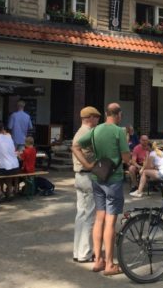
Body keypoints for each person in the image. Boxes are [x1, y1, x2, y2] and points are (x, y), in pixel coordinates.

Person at [73, 103, 130, 276]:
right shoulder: (119, 131)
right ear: (119, 115)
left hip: (97, 177)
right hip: (113, 179)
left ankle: (98, 260)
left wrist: (88, 165)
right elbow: (126, 158)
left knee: (98, 219)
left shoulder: (95, 130)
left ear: (106, 114)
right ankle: (110, 264)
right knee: (110, 222)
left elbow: (75, 146)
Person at [71, 106, 101, 263]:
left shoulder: (79, 132)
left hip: (79, 176)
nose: (98, 120)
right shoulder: (88, 133)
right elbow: (84, 153)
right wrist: (93, 163)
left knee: (81, 214)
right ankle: (85, 253)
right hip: (88, 176)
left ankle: (78, 251)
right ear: (90, 118)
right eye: (96, 117)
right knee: (89, 216)